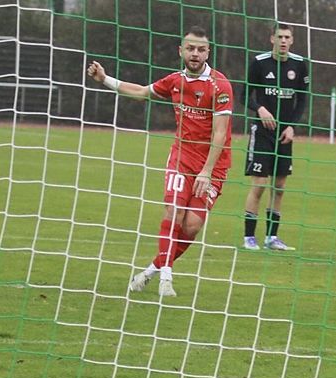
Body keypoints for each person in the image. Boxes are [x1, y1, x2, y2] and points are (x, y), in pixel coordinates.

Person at [87, 26, 233, 297]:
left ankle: (151, 270)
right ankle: (167, 277)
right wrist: (106, 79)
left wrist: (206, 171)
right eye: (190, 48)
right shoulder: (175, 81)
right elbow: (141, 91)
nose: (195, 54)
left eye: (201, 49)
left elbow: (221, 133)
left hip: (214, 164)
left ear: (208, 52)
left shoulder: (219, 85)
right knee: (173, 212)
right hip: (182, 156)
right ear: (181, 51)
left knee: (192, 225)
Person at [242, 22, 310, 251]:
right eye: (279, 36)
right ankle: (249, 237)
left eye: (287, 37)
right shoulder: (259, 63)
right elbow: (244, 95)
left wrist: (292, 127)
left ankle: (272, 237)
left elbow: (302, 100)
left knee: (279, 186)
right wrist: (259, 109)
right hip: (262, 133)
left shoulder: (300, 65)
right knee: (259, 184)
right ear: (272, 39)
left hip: (284, 134)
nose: (283, 41)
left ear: (292, 40)